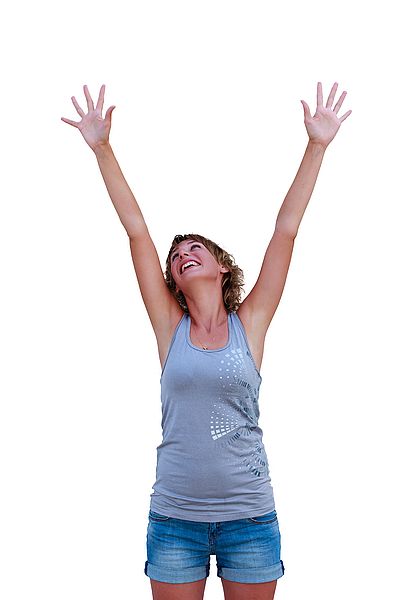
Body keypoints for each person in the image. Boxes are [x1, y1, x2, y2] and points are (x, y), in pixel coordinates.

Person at [61, 81, 351, 600]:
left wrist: (317, 147)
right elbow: (137, 233)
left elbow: (285, 230)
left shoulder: (251, 324)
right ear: (172, 280)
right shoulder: (169, 329)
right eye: (177, 257)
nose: (182, 254)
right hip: (175, 520)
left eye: (196, 248)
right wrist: (102, 148)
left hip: (249, 518)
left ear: (221, 268)